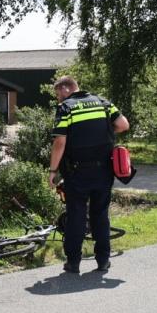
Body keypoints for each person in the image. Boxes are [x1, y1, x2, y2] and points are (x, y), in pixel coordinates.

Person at [47, 76, 130, 274]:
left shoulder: (67, 107)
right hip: (104, 171)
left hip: (78, 172)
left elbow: (60, 142)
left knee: (76, 215)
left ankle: (73, 262)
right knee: (100, 215)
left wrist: (52, 171)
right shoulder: (103, 102)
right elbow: (123, 125)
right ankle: (103, 261)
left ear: (66, 89)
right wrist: (102, 134)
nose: (58, 99)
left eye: (58, 95)